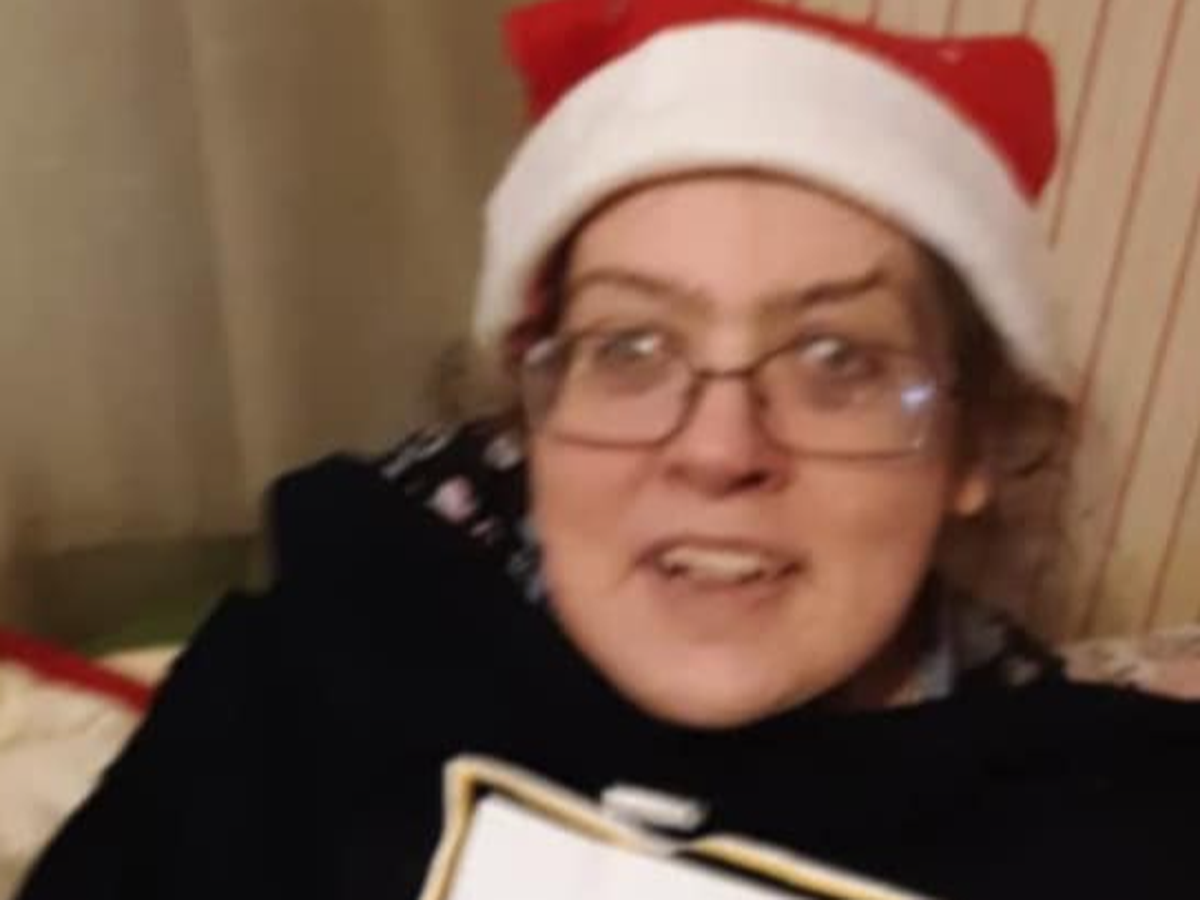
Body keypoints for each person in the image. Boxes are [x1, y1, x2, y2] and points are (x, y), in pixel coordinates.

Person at [17, 1, 1200, 898]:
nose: (720, 449)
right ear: (531, 410)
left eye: (837, 360)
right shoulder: (300, 681)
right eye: (632, 347)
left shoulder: (1125, 828)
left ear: (973, 444)